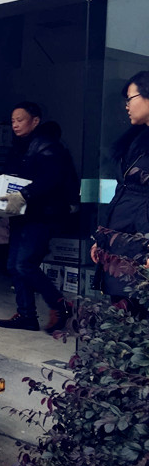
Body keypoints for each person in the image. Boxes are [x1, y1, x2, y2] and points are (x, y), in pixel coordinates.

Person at [0, 102, 76, 333]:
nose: (15, 125)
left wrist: (24, 195)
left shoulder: (48, 147)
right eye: (12, 121)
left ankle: (61, 306)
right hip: (21, 214)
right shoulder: (19, 147)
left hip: (42, 215)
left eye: (20, 120)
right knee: (13, 265)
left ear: (35, 121)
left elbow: (50, 180)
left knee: (24, 264)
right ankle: (26, 315)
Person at [91, 70, 149, 317]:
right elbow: (123, 192)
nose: (126, 106)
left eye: (130, 98)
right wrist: (102, 238)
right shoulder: (137, 139)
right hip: (122, 236)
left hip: (141, 238)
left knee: (138, 308)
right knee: (123, 308)